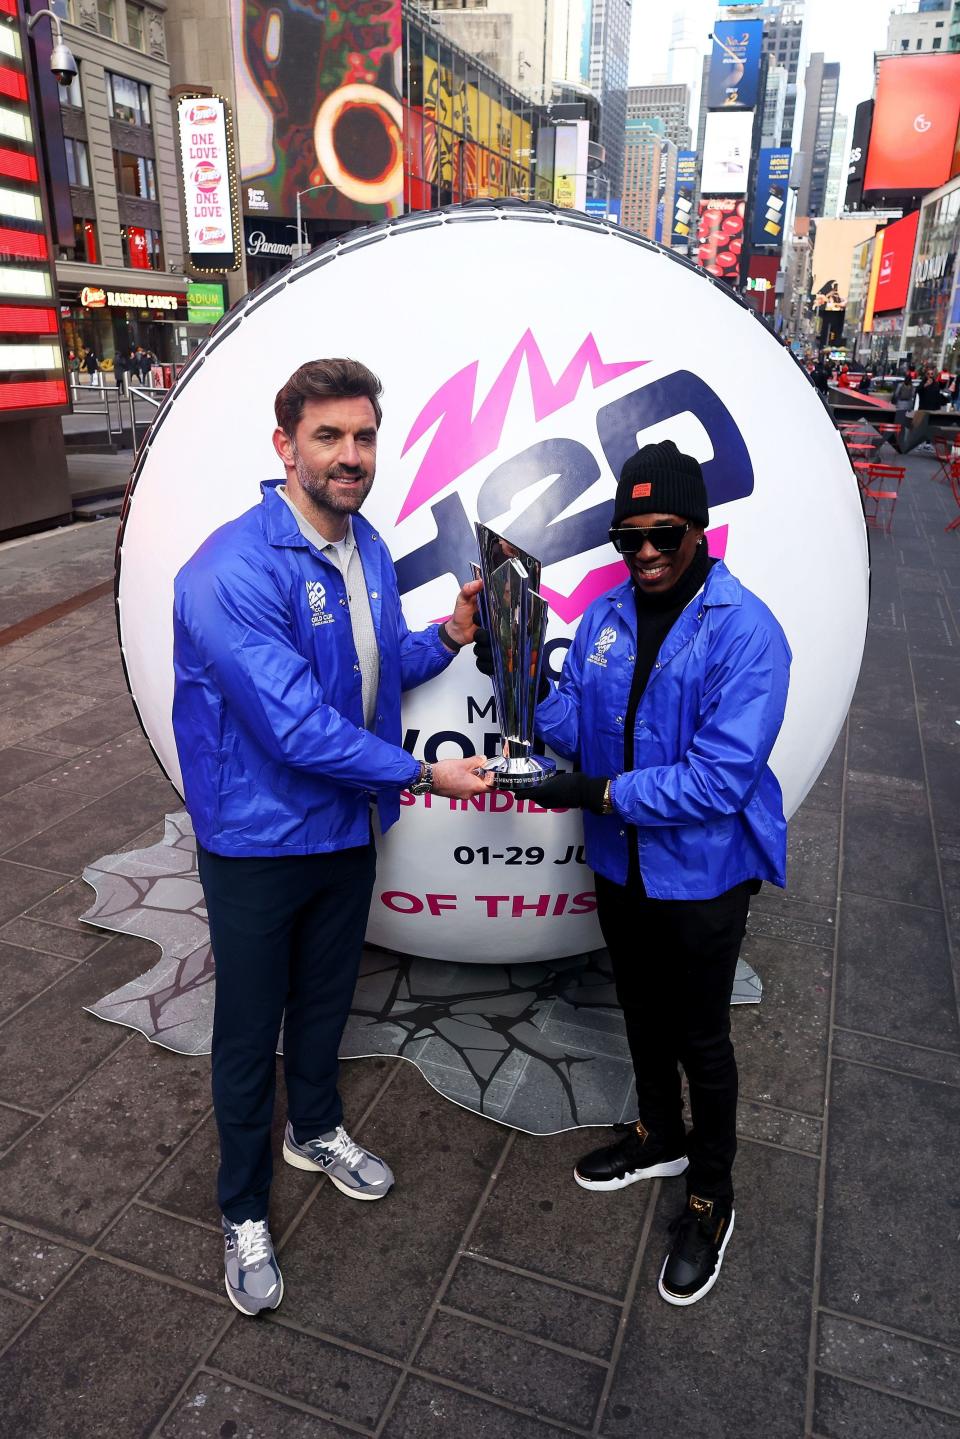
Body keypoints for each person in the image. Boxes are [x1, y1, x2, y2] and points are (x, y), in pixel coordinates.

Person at [172, 358, 493, 1317]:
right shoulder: (228, 569)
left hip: (342, 827)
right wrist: (422, 773)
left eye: (363, 436)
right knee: (246, 1029)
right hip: (258, 842)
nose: (351, 456)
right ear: (285, 447)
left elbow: (373, 657)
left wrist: (450, 633)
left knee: (323, 1002)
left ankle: (314, 1128)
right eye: (329, 437)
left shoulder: (369, 547)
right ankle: (241, 1210)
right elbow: (293, 726)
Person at [476, 440, 791, 1307]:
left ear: (701, 530)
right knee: (642, 1012)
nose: (646, 552)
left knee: (702, 1036)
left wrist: (593, 791)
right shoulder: (611, 617)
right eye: (629, 537)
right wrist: (517, 670)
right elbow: (576, 722)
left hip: (703, 877)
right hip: (622, 863)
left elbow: (717, 780)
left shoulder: (748, 631)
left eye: (664, 534)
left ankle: (709, 1196)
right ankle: (660, 1137)